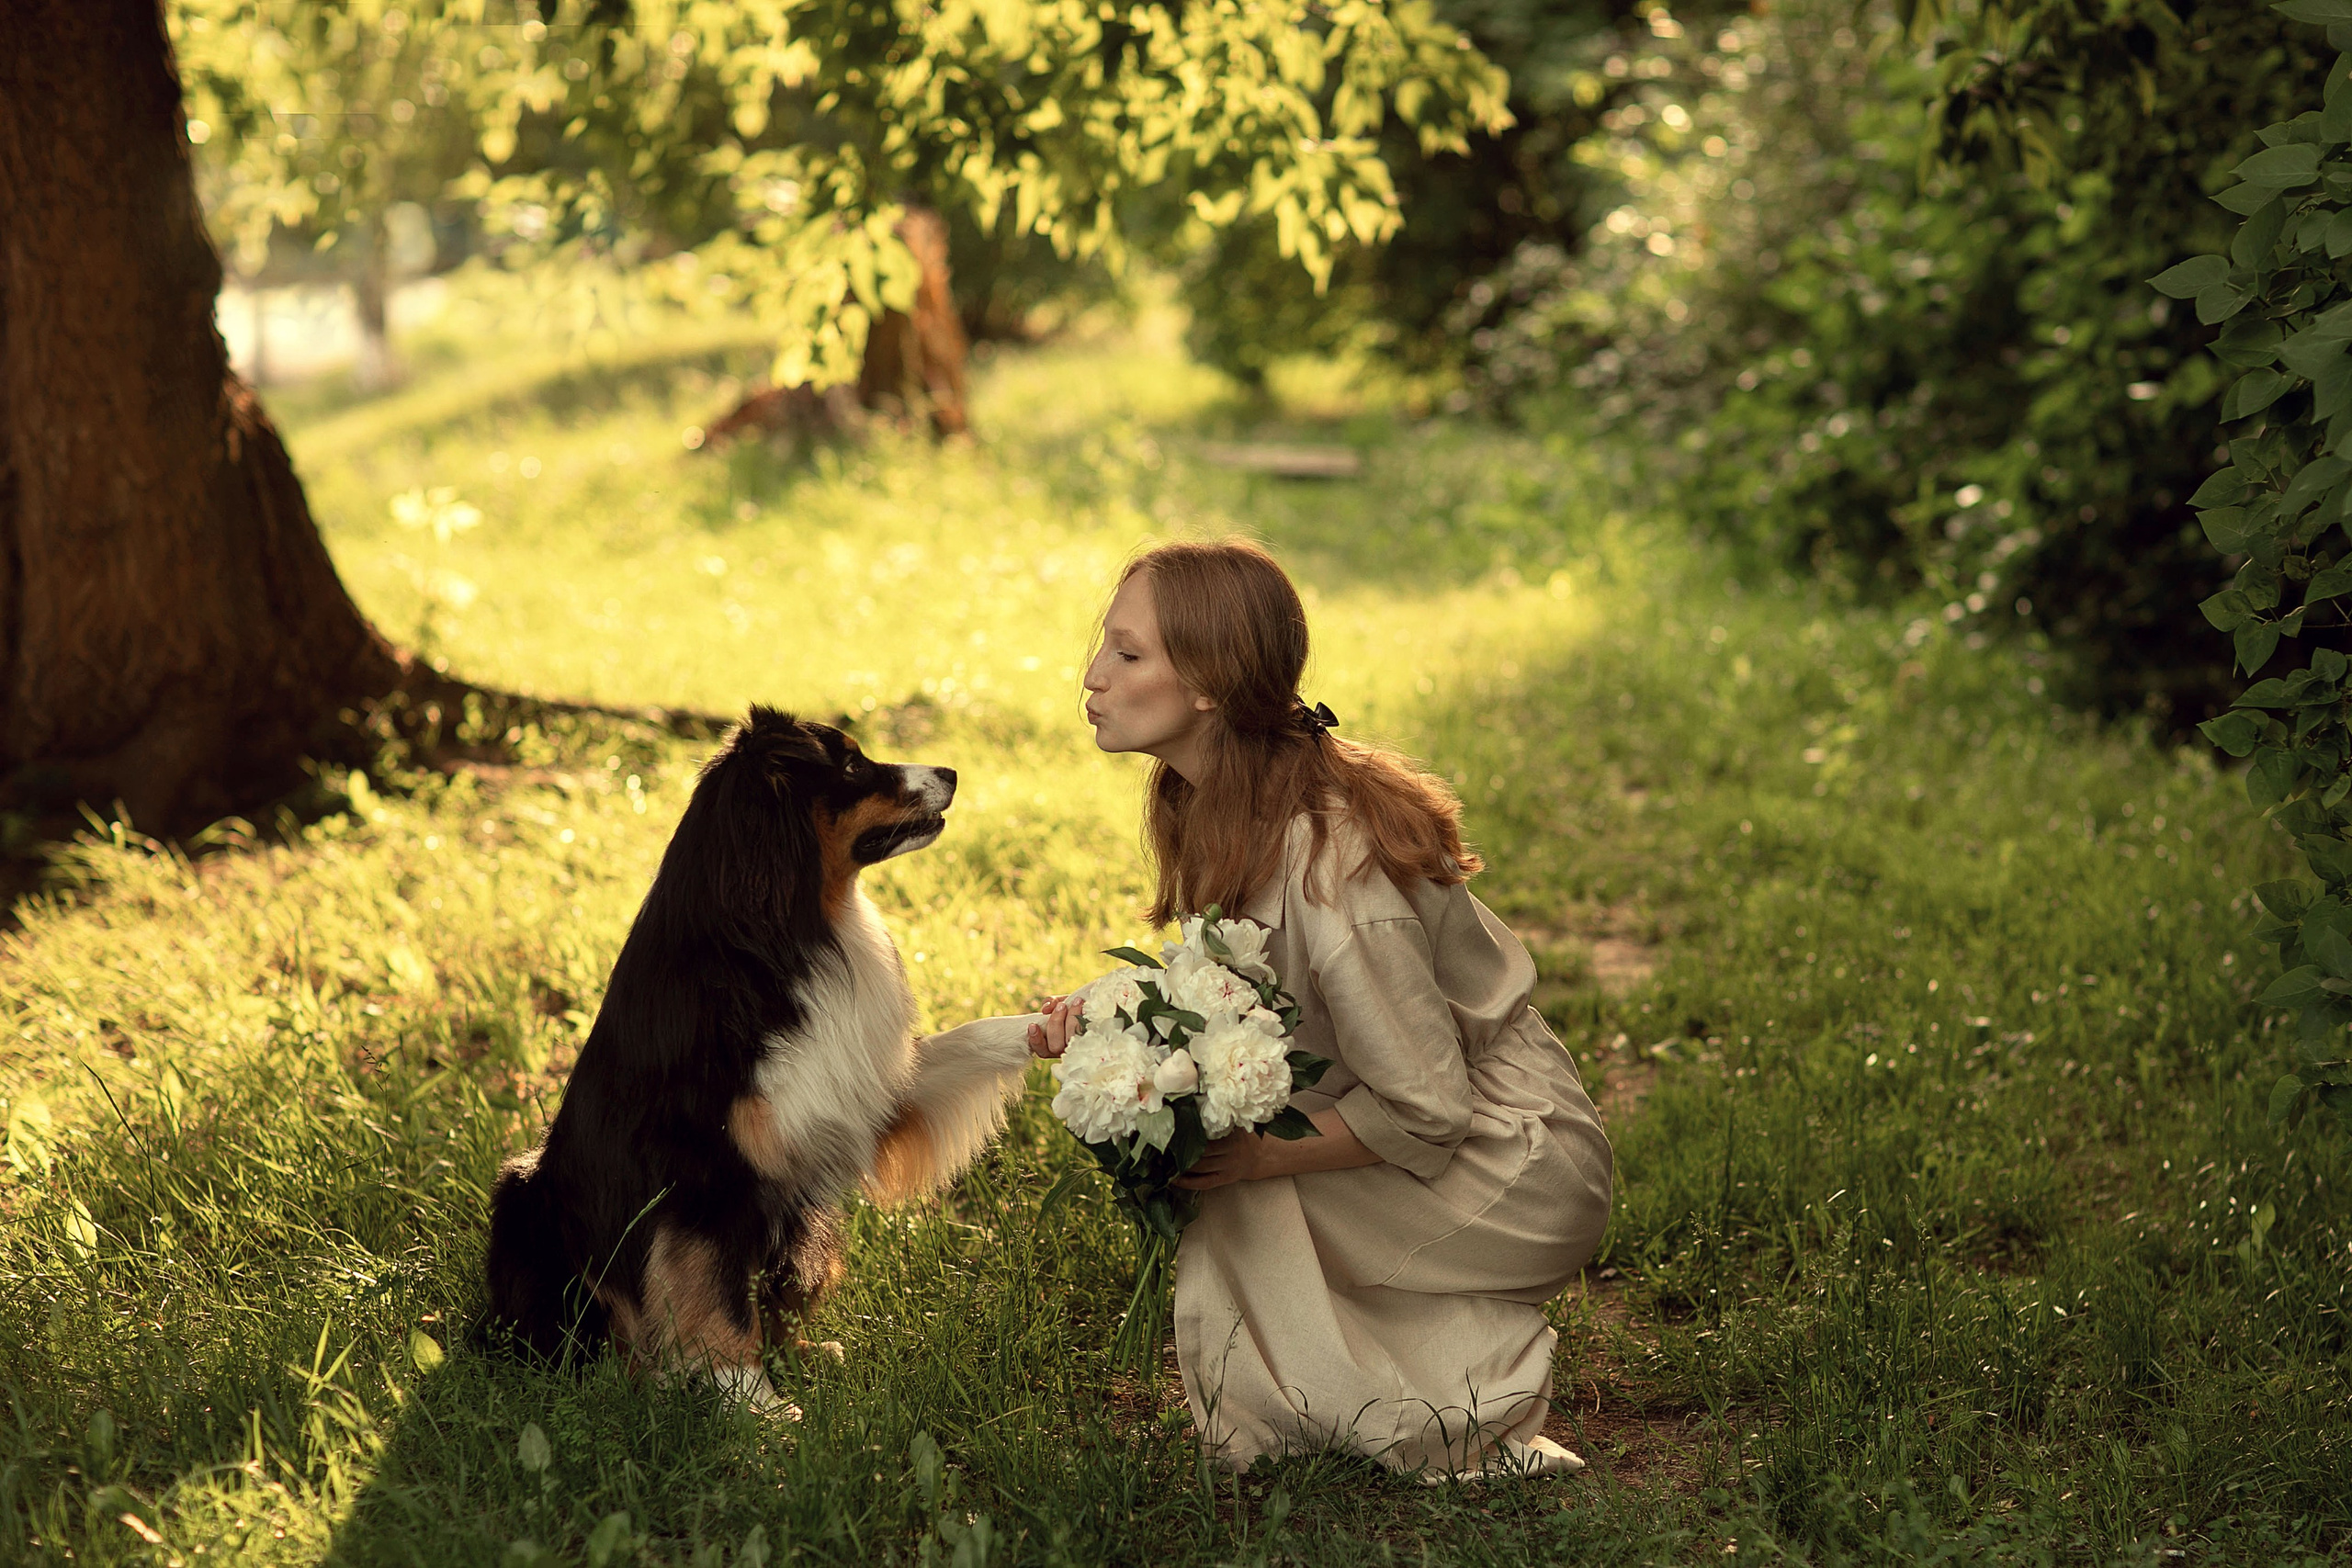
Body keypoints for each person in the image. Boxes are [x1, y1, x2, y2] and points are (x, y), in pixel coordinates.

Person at [1025, 537, 1613, 1479]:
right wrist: (1113, 1016)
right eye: (1104, 646)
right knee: (1214, 1160)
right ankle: (1371, 1369)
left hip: (1515, 1158)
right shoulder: (1210, 794)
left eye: (1128, 655)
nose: (1092, 677)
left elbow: (1430, 1105)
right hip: (1442, 1119)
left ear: (1211, 684)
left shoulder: (1337, 876)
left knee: (1235, 1187)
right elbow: (1245, 986)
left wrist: (1259, 1153)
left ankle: (1456, 1401)